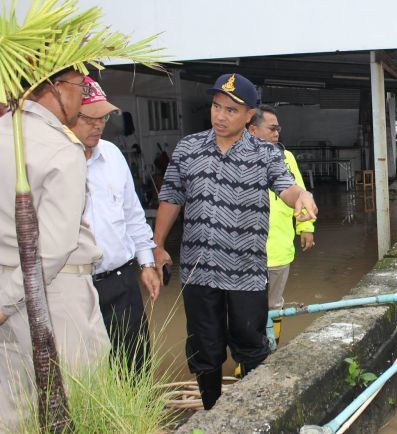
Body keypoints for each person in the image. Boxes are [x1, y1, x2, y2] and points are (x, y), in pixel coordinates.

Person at [153, 73, 318, 411]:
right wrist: (157, 244)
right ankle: (213, 411)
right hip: (199, 273)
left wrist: (302, 197)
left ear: (248, 116)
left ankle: (256, 413)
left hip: (245, 273)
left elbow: (286, 187)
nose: (220, 115)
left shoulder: (265, 153)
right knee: (204, 348)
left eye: (231, 109)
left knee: (251, 344)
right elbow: (171, 197)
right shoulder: (188, 147)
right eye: (216, 106)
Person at [0, 69, 109, 429]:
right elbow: (53, 249)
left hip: (7, 289)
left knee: (18, 408)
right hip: (54, 297)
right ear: (54, 88)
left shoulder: (5, 133)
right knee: (81, 404)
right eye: (79, 88)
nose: (81, 100)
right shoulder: (59, 148)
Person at [67, 77, 161, 373]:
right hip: (74, 285)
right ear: (68, 114)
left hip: (120, 281)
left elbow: (132, 213)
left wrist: (146, 263)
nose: (98, 125)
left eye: (103, 117)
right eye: (88, 118)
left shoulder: (111, 155)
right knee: (86, 368)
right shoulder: (52, 161)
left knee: (135, 364)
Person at [247, 105, 315, 347]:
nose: (277, 133)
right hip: (243, 252)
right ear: (252, 129)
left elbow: (301, 193)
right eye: (272, 128)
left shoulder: (286, 159)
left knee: (273, 304)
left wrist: (305, 228)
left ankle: (271, 347)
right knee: (244, 306)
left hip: (278, 248)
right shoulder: (238, 159)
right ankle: (250, 353)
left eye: (278, 128)